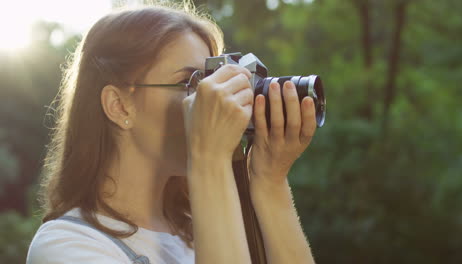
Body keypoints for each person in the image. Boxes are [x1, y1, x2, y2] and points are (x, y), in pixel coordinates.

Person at [26, 2, 318, 264]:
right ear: (119, 106)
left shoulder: (205, 224)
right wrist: (209, 159)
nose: (210, 100)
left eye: (212, 80)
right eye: (190, 82)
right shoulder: (67, 246)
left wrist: (269, 181)